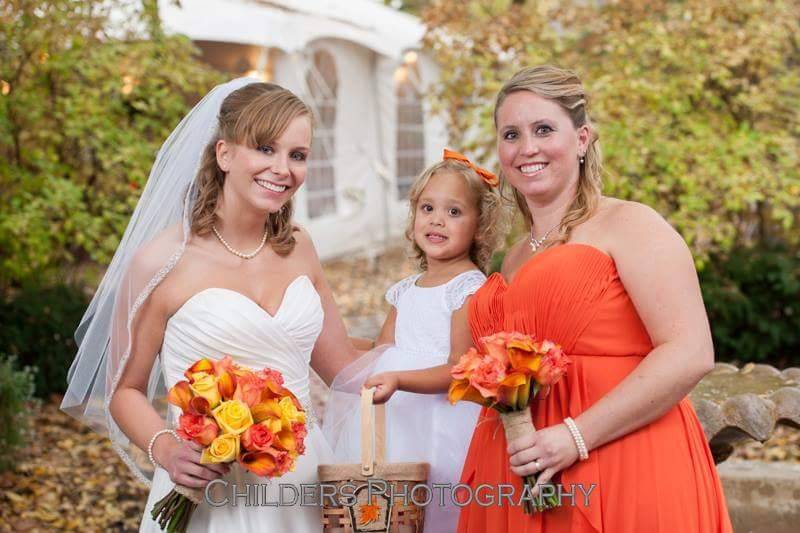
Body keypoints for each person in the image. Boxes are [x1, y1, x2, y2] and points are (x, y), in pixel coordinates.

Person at [61, 79, 358, 531]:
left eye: (297, 155)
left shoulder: (300, 247)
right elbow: (124, 390)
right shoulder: (161, 262)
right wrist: (165, 449)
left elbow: (345, 369)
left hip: (301, 486)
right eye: (265, 148)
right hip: (207, 492)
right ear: (223, 154)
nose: (283, 168)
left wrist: (425, 323)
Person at [455, 65, 732, 532]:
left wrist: (574, 437)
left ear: (582, 139)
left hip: (621, 460)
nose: (527, 148)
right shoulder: (514, 255)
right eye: (511, 134)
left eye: (544, 129)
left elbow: (690, 353)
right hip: (526, 468)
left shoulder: (631, 225)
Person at [323, 150, 507, 533]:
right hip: (394, 419)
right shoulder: (406, 290)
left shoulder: (467, 288)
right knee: (390, 508)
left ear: (480, 227)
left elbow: (461, 367)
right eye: (427, 208)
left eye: (454, 212)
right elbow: (381, 350)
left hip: (439, 420)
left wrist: (401, 380)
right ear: (413, 218)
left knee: (435, 506)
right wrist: (326, 339)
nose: (438, 220)